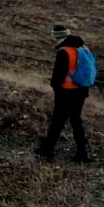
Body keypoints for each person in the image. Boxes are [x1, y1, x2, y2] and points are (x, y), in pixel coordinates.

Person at [34, 25, 93, 164]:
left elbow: (58, 77)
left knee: (57, 121)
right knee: (76, 121)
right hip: (81, 92)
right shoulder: (83, 48)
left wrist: (55, 87)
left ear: (56, 36)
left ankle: (47, 150)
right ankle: (82, 154)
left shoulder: (64, 51)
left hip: (66, 93)